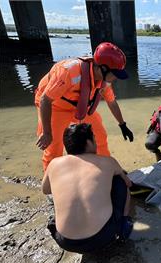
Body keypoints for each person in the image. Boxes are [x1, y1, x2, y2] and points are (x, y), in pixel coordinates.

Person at [35, 42, 134, 171]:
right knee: (53, 146)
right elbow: (45, 100)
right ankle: (51, 183)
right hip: (54, 106)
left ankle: (107, 169)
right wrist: (47, 133)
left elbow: (112, 102)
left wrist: (122, 124)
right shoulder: (69, 72)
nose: (115, 78)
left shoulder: (104, 80)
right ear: (102, 68)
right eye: (114, 74)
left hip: (80, 106)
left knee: (100, 136)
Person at [42, 123, 133, 253]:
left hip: (65, 241)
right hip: (102, 238)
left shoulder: (54, 163)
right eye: (94, 139)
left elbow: (46, 190)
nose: (96, 142)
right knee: (120, 181)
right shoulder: (108, 161)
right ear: (88, 143)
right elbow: (128, 184)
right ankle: (124, 224)